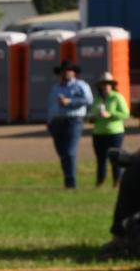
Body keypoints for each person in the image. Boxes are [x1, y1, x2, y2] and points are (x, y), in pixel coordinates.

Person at [46, 60, 93, 189]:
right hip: (57, 122)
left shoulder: (80, 85)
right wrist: (49, 121)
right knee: (62, 152)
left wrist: (70, 101)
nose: (66, 73)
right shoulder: (56, 87)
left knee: (70, 152)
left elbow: (89, 100)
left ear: (74, 72)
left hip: (73, 121)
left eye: (68, 70)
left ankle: (72, 183)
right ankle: (67, 179)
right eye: (64, 71)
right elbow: (51, 106)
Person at [88, 72, 128, 188]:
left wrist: (110, 114)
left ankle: (117, 182)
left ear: (112, 85)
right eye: (103, 84)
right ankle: (100, 182)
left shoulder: (117, 97)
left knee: (115, 158)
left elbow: (126, 114)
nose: (105, 86)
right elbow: (92, 113)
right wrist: (93, 117)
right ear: (100, 85)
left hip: (114, 133)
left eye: (108, 84)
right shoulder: (97, 98)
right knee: (101, 159)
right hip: (98, 133)